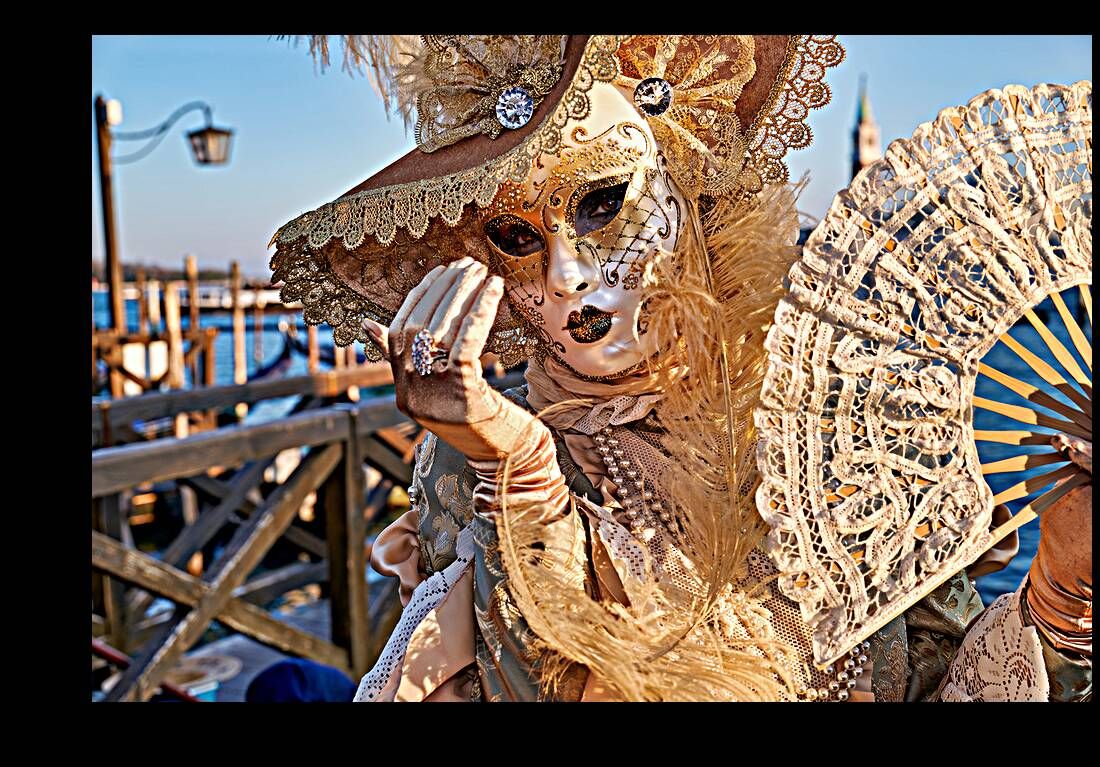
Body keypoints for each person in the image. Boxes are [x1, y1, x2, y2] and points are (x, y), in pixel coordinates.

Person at [270, 35, 1091, 701]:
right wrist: (519, 471)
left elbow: (939, 681)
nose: (566, 276)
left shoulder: (839, 425)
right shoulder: (473, 455)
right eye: (518, 240)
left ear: (686, 188)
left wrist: (1061, 594)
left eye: (602, 204)